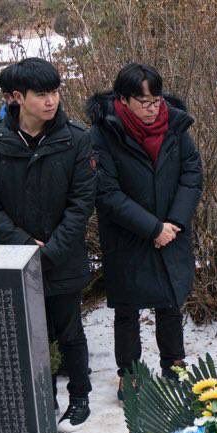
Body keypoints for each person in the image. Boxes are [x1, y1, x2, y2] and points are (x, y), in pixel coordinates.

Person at [0, 58, 95, 430]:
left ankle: (80, 397)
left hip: (62, 255)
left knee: (69, 330)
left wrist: (50, 250)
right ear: (17, 97)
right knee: (32, 333)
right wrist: (21, 243)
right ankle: (42, 398)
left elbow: (82, 203)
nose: (51, 101)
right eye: (41, 94)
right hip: (15, 257)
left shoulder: (76, 139)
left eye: (54, 92)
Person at [87, 63, 203, 400]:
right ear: (123, 100)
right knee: (127, 308)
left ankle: (174, 364)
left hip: (173, 228)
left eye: (156, 102)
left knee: (170, 301)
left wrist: (175, 222)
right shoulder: (103, 133)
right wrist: (151, 227)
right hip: (127, 235)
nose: (153, 110)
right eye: (144, 103)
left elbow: (192, 173)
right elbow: (106, 191)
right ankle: (130, 374)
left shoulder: (176, 126)